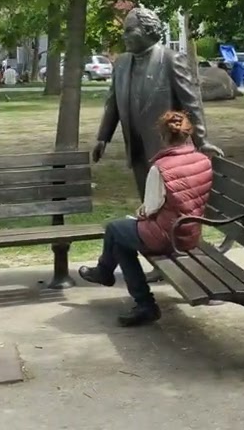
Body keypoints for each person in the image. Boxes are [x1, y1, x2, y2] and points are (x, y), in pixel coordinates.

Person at [78, 110, 213, 326]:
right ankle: (140, 303)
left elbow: (150, 208)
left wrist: (140, 213)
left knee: (114, 229)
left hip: (166, 237)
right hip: (189, 234)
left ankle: (111, 277)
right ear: (189, 134)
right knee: (121, 243)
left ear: (162, 137)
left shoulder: (160, 168)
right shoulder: (203, 160)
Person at [93, 7, 222, 202]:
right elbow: (113, 103)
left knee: (172, 205)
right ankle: (148, 231)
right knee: (148, 203)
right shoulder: (121, 64)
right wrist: (103, 137)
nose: (124, 36)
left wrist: (201, 141)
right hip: (136, 148)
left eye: (130, 30)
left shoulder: (171, 60)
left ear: (148, 31)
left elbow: (191, 103)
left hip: (167, 149)